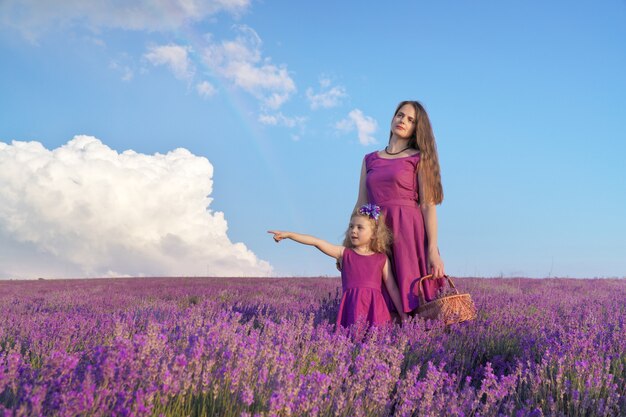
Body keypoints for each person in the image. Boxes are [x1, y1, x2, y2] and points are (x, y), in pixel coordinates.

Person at [352, 100, 445, 316]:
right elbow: (361, 204)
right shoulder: (369, 160)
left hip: (409, 234)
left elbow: (428, 206)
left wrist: (432, 248)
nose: (403, 121)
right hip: (377, 233)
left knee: (415, 295)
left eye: (411, 120)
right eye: (400, 115)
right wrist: (351, 243)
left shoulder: (418, 158)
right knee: (381, 294)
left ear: (416, 129)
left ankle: (422, 345)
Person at [268, 204, 408, 328]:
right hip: (352, 307)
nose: (353, 231)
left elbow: (393, 289)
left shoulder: (381, 259)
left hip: (375, 309)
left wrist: (403, 315)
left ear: (373, 234)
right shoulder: (344, 253)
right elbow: (317, 242)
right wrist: (289, 234)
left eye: (360, 228)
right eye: (351, 226)